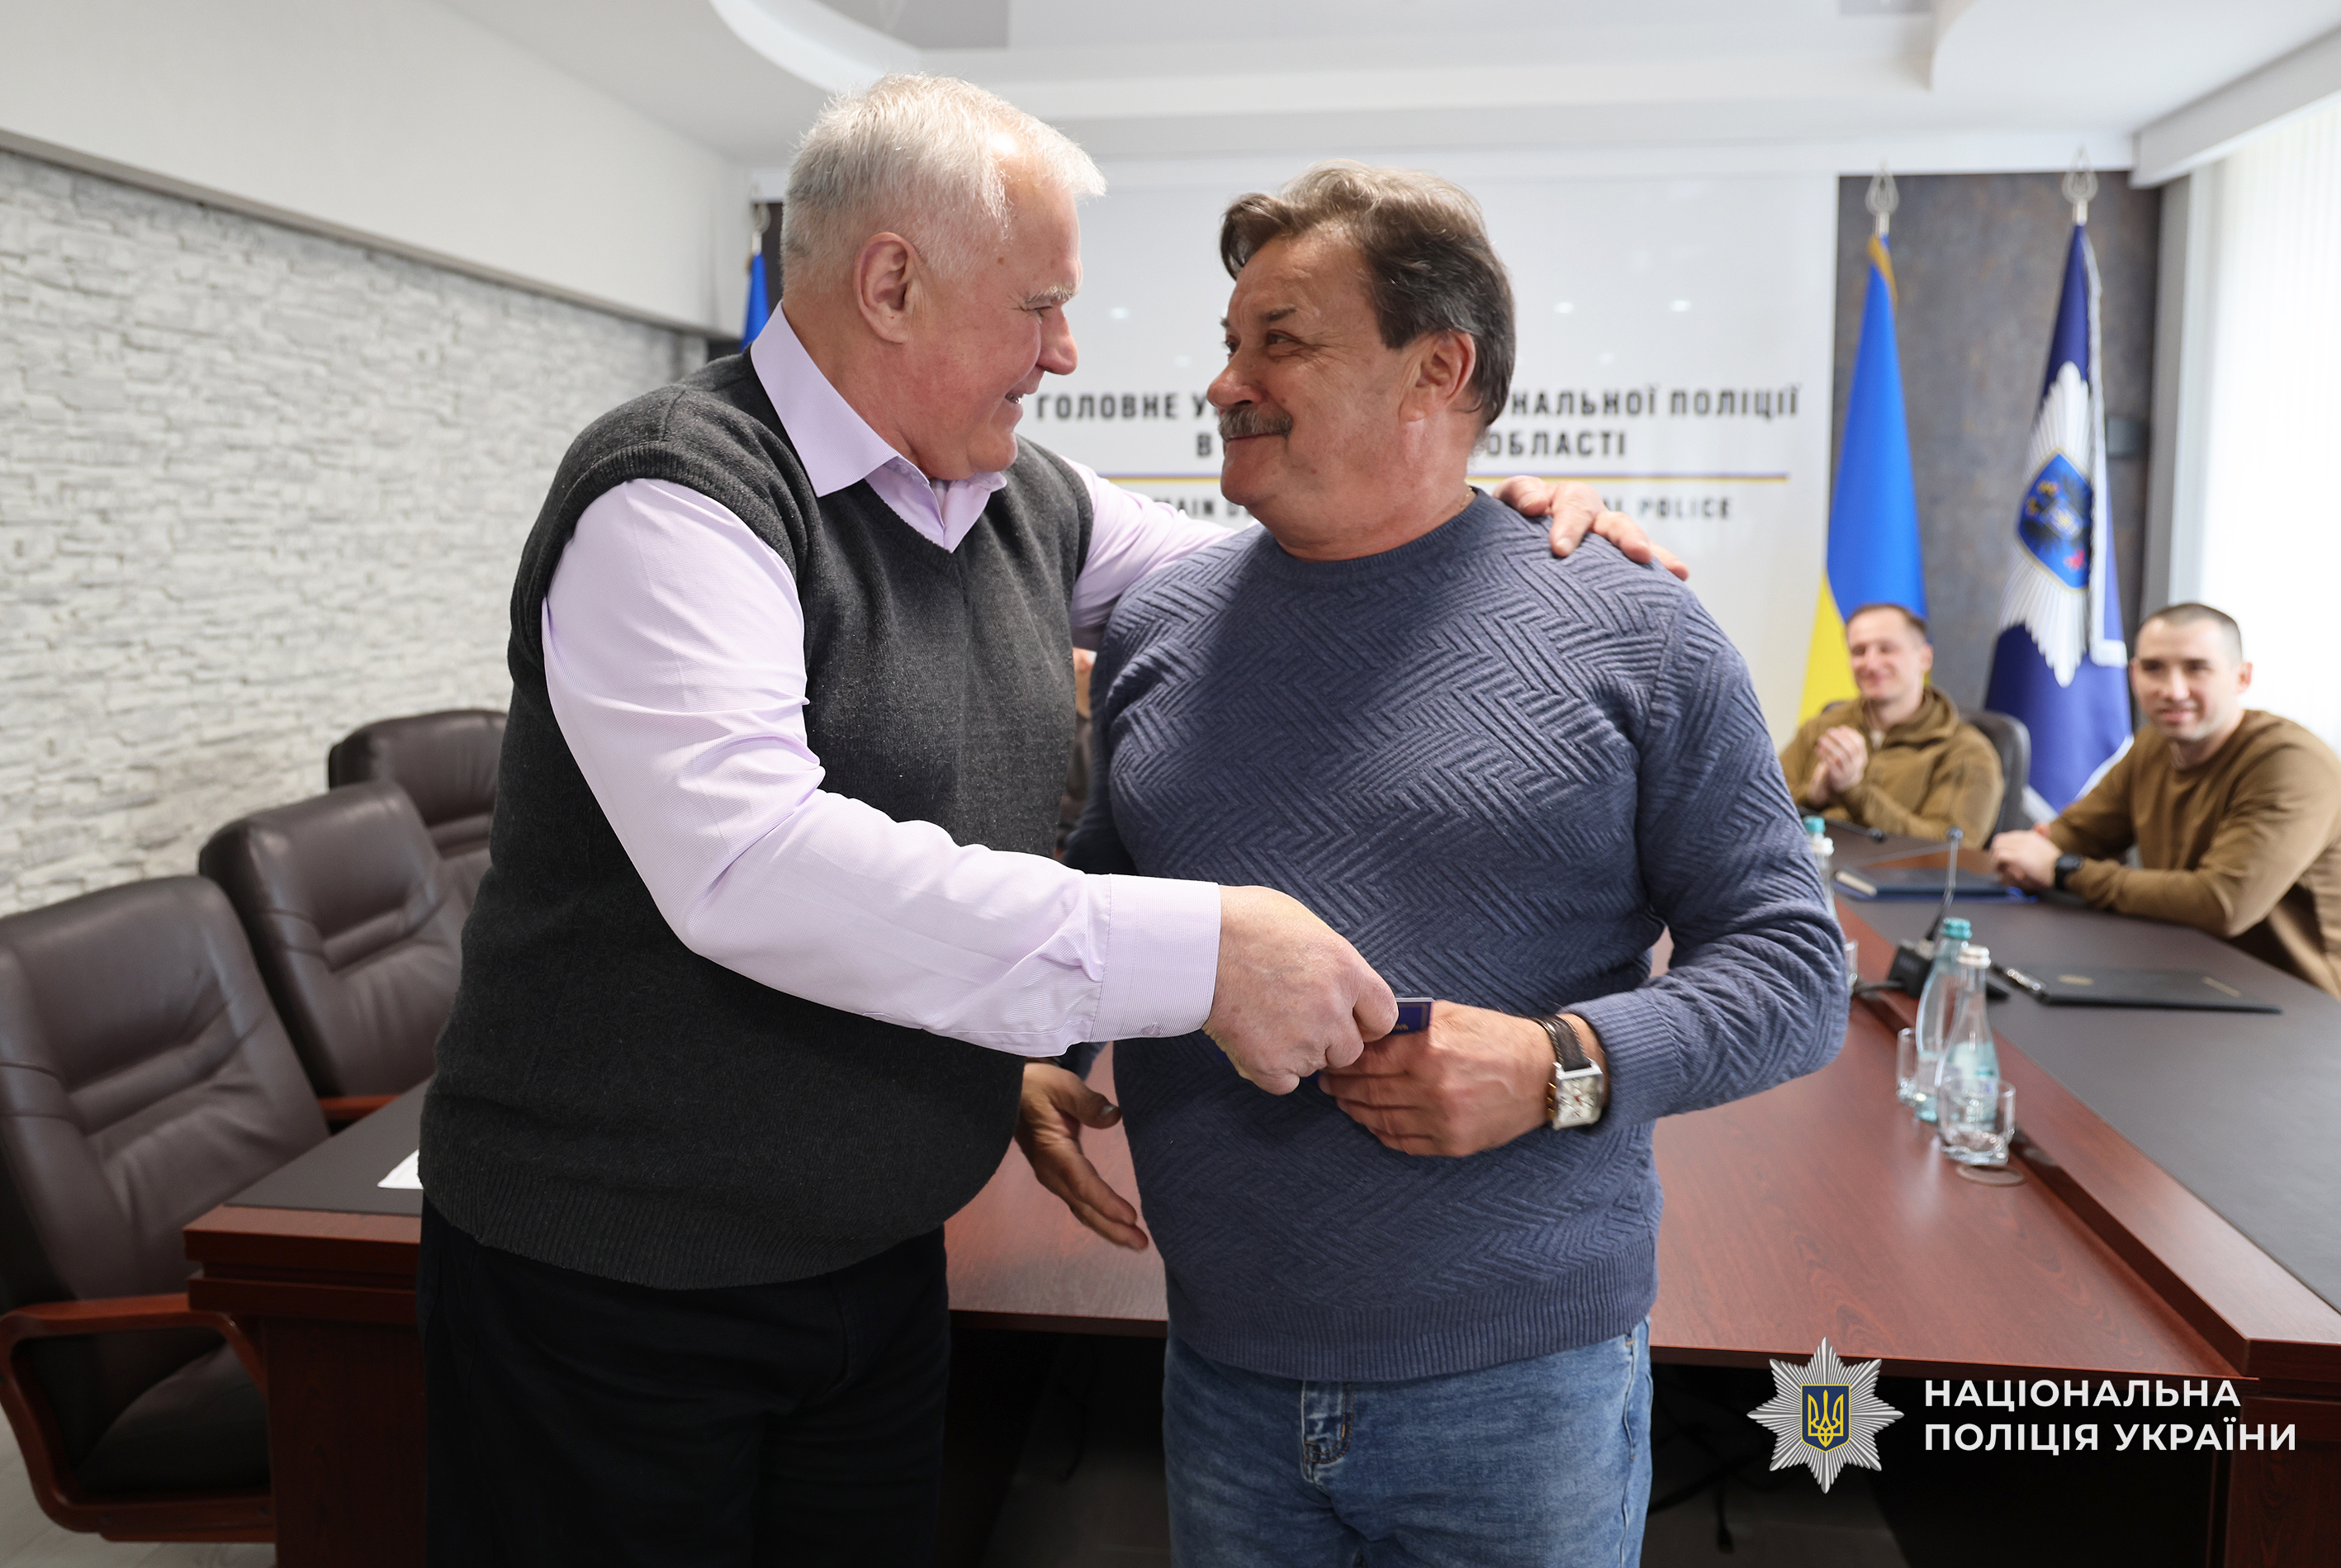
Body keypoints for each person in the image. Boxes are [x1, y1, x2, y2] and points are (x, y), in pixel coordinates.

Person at [415, 77, 1673, 1566]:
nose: (1066, 351)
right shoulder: (678, 494)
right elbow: (752, 865)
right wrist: (1200, 955)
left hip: (878, 1258)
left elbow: (1307, 577)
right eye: (1041, 306)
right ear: (892, 283)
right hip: (616, 1281)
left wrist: (1485, 528)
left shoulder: (1022, 500)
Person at [1027, 162, 1846, 1568]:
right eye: (1229, 343)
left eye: (1280, 341)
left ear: (1437, 368)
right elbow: (1109, 895)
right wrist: (1042, 1049)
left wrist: (1558, 1063)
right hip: (1218, 1367)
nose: (1224, 383)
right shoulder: (1160, 627)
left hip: (1521, 1396)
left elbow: (1795, 967)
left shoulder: (1636, 630)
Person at [1990, 603, 2341, 997]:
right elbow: (2078, 834)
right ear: (2134, 675)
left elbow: (2222, 905)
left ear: (2241, 677)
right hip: (2183, 971)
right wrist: (2029, 853)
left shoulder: (2291, 763)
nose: (2173, 691)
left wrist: (2063, 870)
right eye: (2154, 668)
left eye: (2197, 668)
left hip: (2298, 1002)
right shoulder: (2154, 745)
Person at [1777, 602, 2004, 841]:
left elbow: (1949, 849)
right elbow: (1761, 801)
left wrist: (1855, 791)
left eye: (1887, 649)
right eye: (1859, 651)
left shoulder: (1967, 753)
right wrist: (1814, 796)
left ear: (1924, 658)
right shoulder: (1823, 728)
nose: (1871, 664)